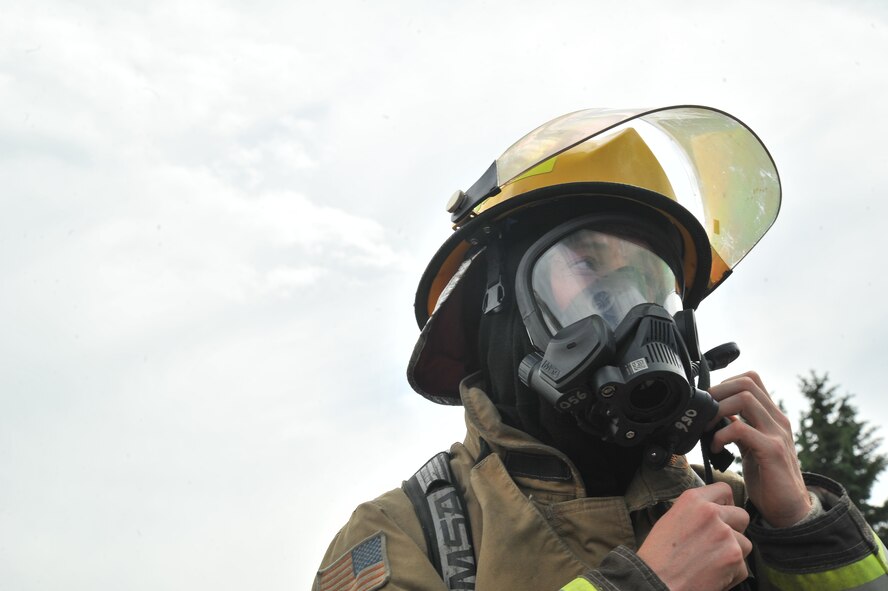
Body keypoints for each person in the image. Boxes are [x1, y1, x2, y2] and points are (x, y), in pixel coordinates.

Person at [314, 106, 888, 591]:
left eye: (648, 280)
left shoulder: (743, 509)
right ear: (505, 312)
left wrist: (806, 532)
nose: (632, 307)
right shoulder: (405, 534)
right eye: (587, 267)